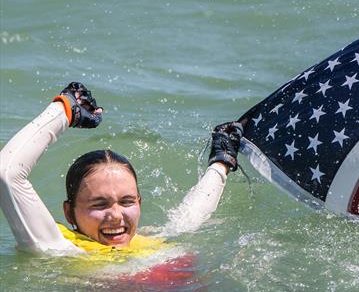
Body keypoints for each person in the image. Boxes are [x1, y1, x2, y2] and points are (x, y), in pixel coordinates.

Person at [0, 82, 241, 261]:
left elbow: (192, 217)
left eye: (126, 202)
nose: (115, 216)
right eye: (99, 204)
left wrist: (222, 162)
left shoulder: (153, 242)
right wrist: (63, 111)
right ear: (69, 214)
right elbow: (7, 174)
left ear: (140, 201)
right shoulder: (56, 248)